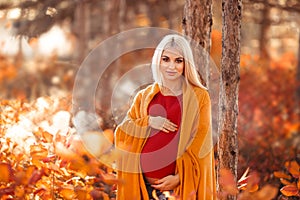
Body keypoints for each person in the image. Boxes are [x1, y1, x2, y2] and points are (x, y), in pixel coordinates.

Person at [114, 34, 216, 200]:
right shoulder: (144, 96)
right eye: (166, 59)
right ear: (158, 61)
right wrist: (149, 121)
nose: (171, 66)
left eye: (178, 61)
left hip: (177, 188)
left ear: (186, 64)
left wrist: (180, 177)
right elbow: (123, 131)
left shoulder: (199, 97)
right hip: (141, 185)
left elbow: (201, 142)